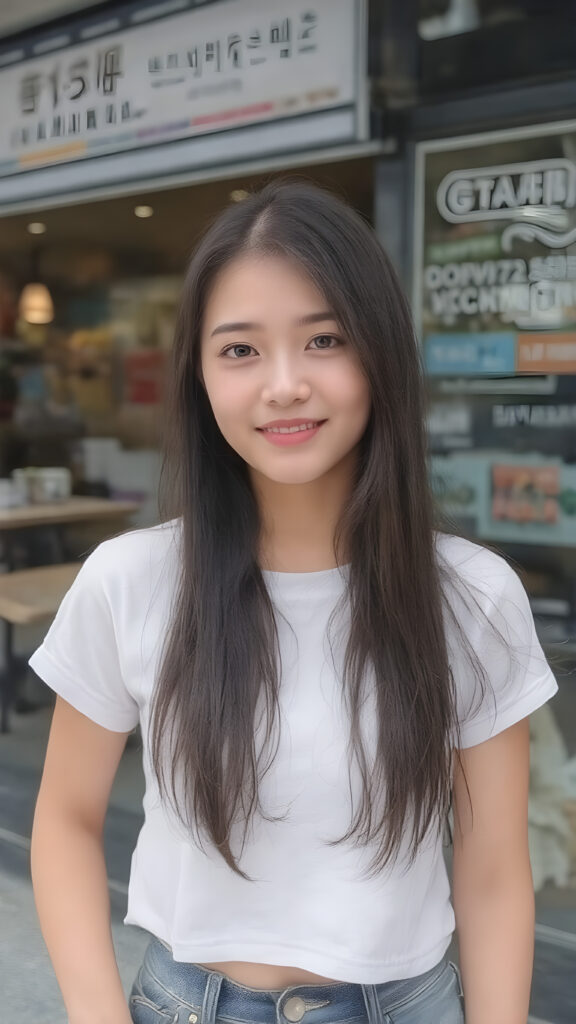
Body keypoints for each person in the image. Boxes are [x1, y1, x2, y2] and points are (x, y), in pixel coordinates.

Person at [30, 181, 558, 1024]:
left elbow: (494, 873)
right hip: (183, 1004)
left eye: (325, 339)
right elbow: (62, 817)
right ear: (199, 374)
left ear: (380, 353)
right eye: (240, 350)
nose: (284, 385)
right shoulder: (127, 580)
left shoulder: (472, 597)